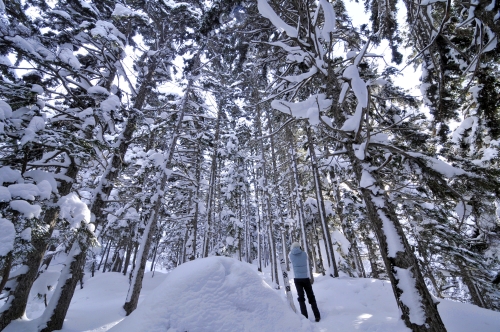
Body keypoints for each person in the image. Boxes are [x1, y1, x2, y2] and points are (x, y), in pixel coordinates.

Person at [289, 242, 321, 322]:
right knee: (311, 296)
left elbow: (290, 254)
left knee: (301, 298)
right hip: (306, 278)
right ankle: (317, 315)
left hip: (297, 279)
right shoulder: (304, 254)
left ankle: (305, 317)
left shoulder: (291, 255)